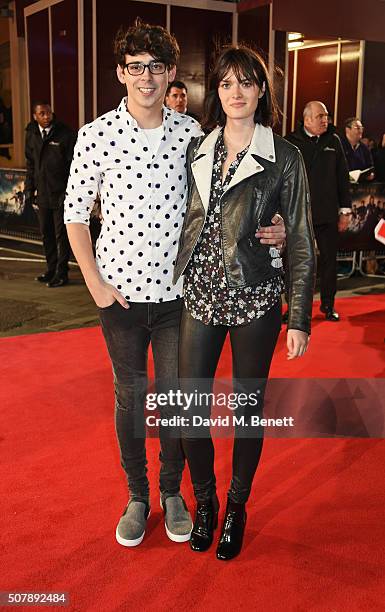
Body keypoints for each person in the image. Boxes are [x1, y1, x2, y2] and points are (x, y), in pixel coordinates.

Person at [64, 20, 285, 549]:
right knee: (130, 398)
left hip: (179, 298)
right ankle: (137, 496)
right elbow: (74, 215)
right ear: (121, 72)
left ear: (170, 75)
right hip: (117, 295)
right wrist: (93, 282)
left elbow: (232, 193)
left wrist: (272, 227)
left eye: (157, 67)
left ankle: (173, 493)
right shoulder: (94, 135)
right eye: (136, 66)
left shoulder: (193, 136)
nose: (147, 77)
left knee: (177, 402)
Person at [173, 45, 315, 560]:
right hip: (201, 294)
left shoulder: (286, 157)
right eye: (227, 83)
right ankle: (205, 503)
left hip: (255, 297)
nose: (236, 93)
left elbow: (299, 237)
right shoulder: (198, 149)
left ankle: (237, 505)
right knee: (189, 411)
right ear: (218, 91)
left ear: (261, 91)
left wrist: (298, 317)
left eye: (246, 83)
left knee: (247, 413)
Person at [285, 101, 351, 321]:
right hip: (298, 214)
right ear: (307, 119)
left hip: (328, 213)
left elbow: (343, 177)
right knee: (295, 263)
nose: (326, 120)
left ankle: (328, 305)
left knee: (329, 262)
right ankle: (293, 309)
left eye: (327, 116)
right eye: (321, 116)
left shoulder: (334, 140)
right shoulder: (291, 142)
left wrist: (345, 210)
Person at [25, 102, 76, 287]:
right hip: (43, 194)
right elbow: (30, 165)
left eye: (49, 113)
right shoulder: (31, 135)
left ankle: (62, 273)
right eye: (42, 113)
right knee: (46, 234)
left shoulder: (65, 134)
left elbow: (73, 166)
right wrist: (29, 189)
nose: (46, 116)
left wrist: (68, 192)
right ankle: (51, 269)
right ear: (35, 116)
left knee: (61, 235)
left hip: (61, 194)